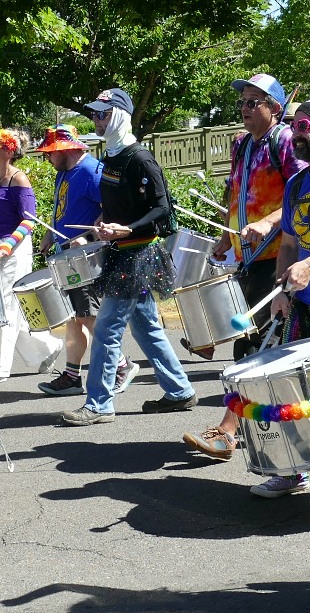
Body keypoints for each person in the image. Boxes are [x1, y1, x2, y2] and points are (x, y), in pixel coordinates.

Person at [182, 99, 310, 497]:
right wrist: (282, 288)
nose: (296, 133)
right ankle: (292, 469)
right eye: (294, 125)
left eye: (305, 126)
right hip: (302, 300)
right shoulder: (297, 183)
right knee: (286, 389)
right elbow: (288, 243)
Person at [61, 88, 197, 425]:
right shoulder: (111, 156)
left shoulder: (140, 159)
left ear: (120, 116)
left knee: (106, 329)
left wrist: (128, 229)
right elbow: (115, 204)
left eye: (102, 114)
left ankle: (99, 404)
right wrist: (99, 224)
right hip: (122, 253)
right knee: (146, 326)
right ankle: (179, 391)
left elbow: (163, 209)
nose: (96, 120)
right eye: (94, 114)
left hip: (139, 255)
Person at [34, 126, 139, 395]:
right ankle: (72, 376)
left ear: (65, 150)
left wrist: (90, 237)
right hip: (67, 256)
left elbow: (114, 209)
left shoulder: (91, 171)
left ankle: (122, 365)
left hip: (85, 258)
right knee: (74, 318)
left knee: (89, 316)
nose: (47, 158)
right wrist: (49, 233)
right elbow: (62, 209)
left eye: (49, 153)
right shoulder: (64, 171)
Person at [208, 73, 306, 361]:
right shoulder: (241, 144)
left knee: (254, 344)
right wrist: (226, 236)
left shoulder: (285, 141)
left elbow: (302, 194)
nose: (244, 108)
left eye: (253, 102)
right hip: (247, 258)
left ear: (274, 108)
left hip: (276, 256)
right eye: (242, 102)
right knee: (248, 338)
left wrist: (267, 222)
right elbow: (234, 192)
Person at [0, 129, 64, 381]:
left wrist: (7, 245)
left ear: (7, 152)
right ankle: (47, 348)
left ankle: (1, 368)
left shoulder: (18, 179)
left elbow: (29, 221)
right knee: (11, 310)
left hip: (15, 250)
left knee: (6, 307)